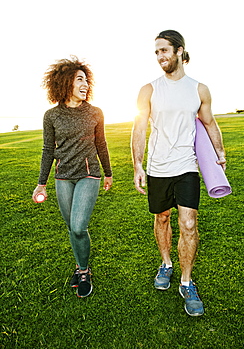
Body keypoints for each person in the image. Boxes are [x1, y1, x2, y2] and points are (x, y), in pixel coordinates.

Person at [131, 30, 226, 316]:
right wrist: (138, 164)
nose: (160, 56)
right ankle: (166, 264)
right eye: (156, 52)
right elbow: (139, 128)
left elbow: (209, 123)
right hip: (159, 167)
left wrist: (219, 152)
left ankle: (186, 281)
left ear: (179, 51)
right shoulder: (149, 89)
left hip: (187, 166)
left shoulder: (199, 89)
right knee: (162, 218)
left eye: (164, 50)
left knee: (188, 224)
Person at [32, 56, 112, 298]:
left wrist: (108, 173)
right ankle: (80, 267)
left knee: (78, 226)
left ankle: (85, 272)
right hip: (63, 178)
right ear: (66, 83)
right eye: (79, 79)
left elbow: (101, 143)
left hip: (89, 175)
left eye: (86, 80)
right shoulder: (51, 116)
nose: (85, 84)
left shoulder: (95, 112)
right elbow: (48, 149)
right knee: (71, 228)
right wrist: (41, 183)